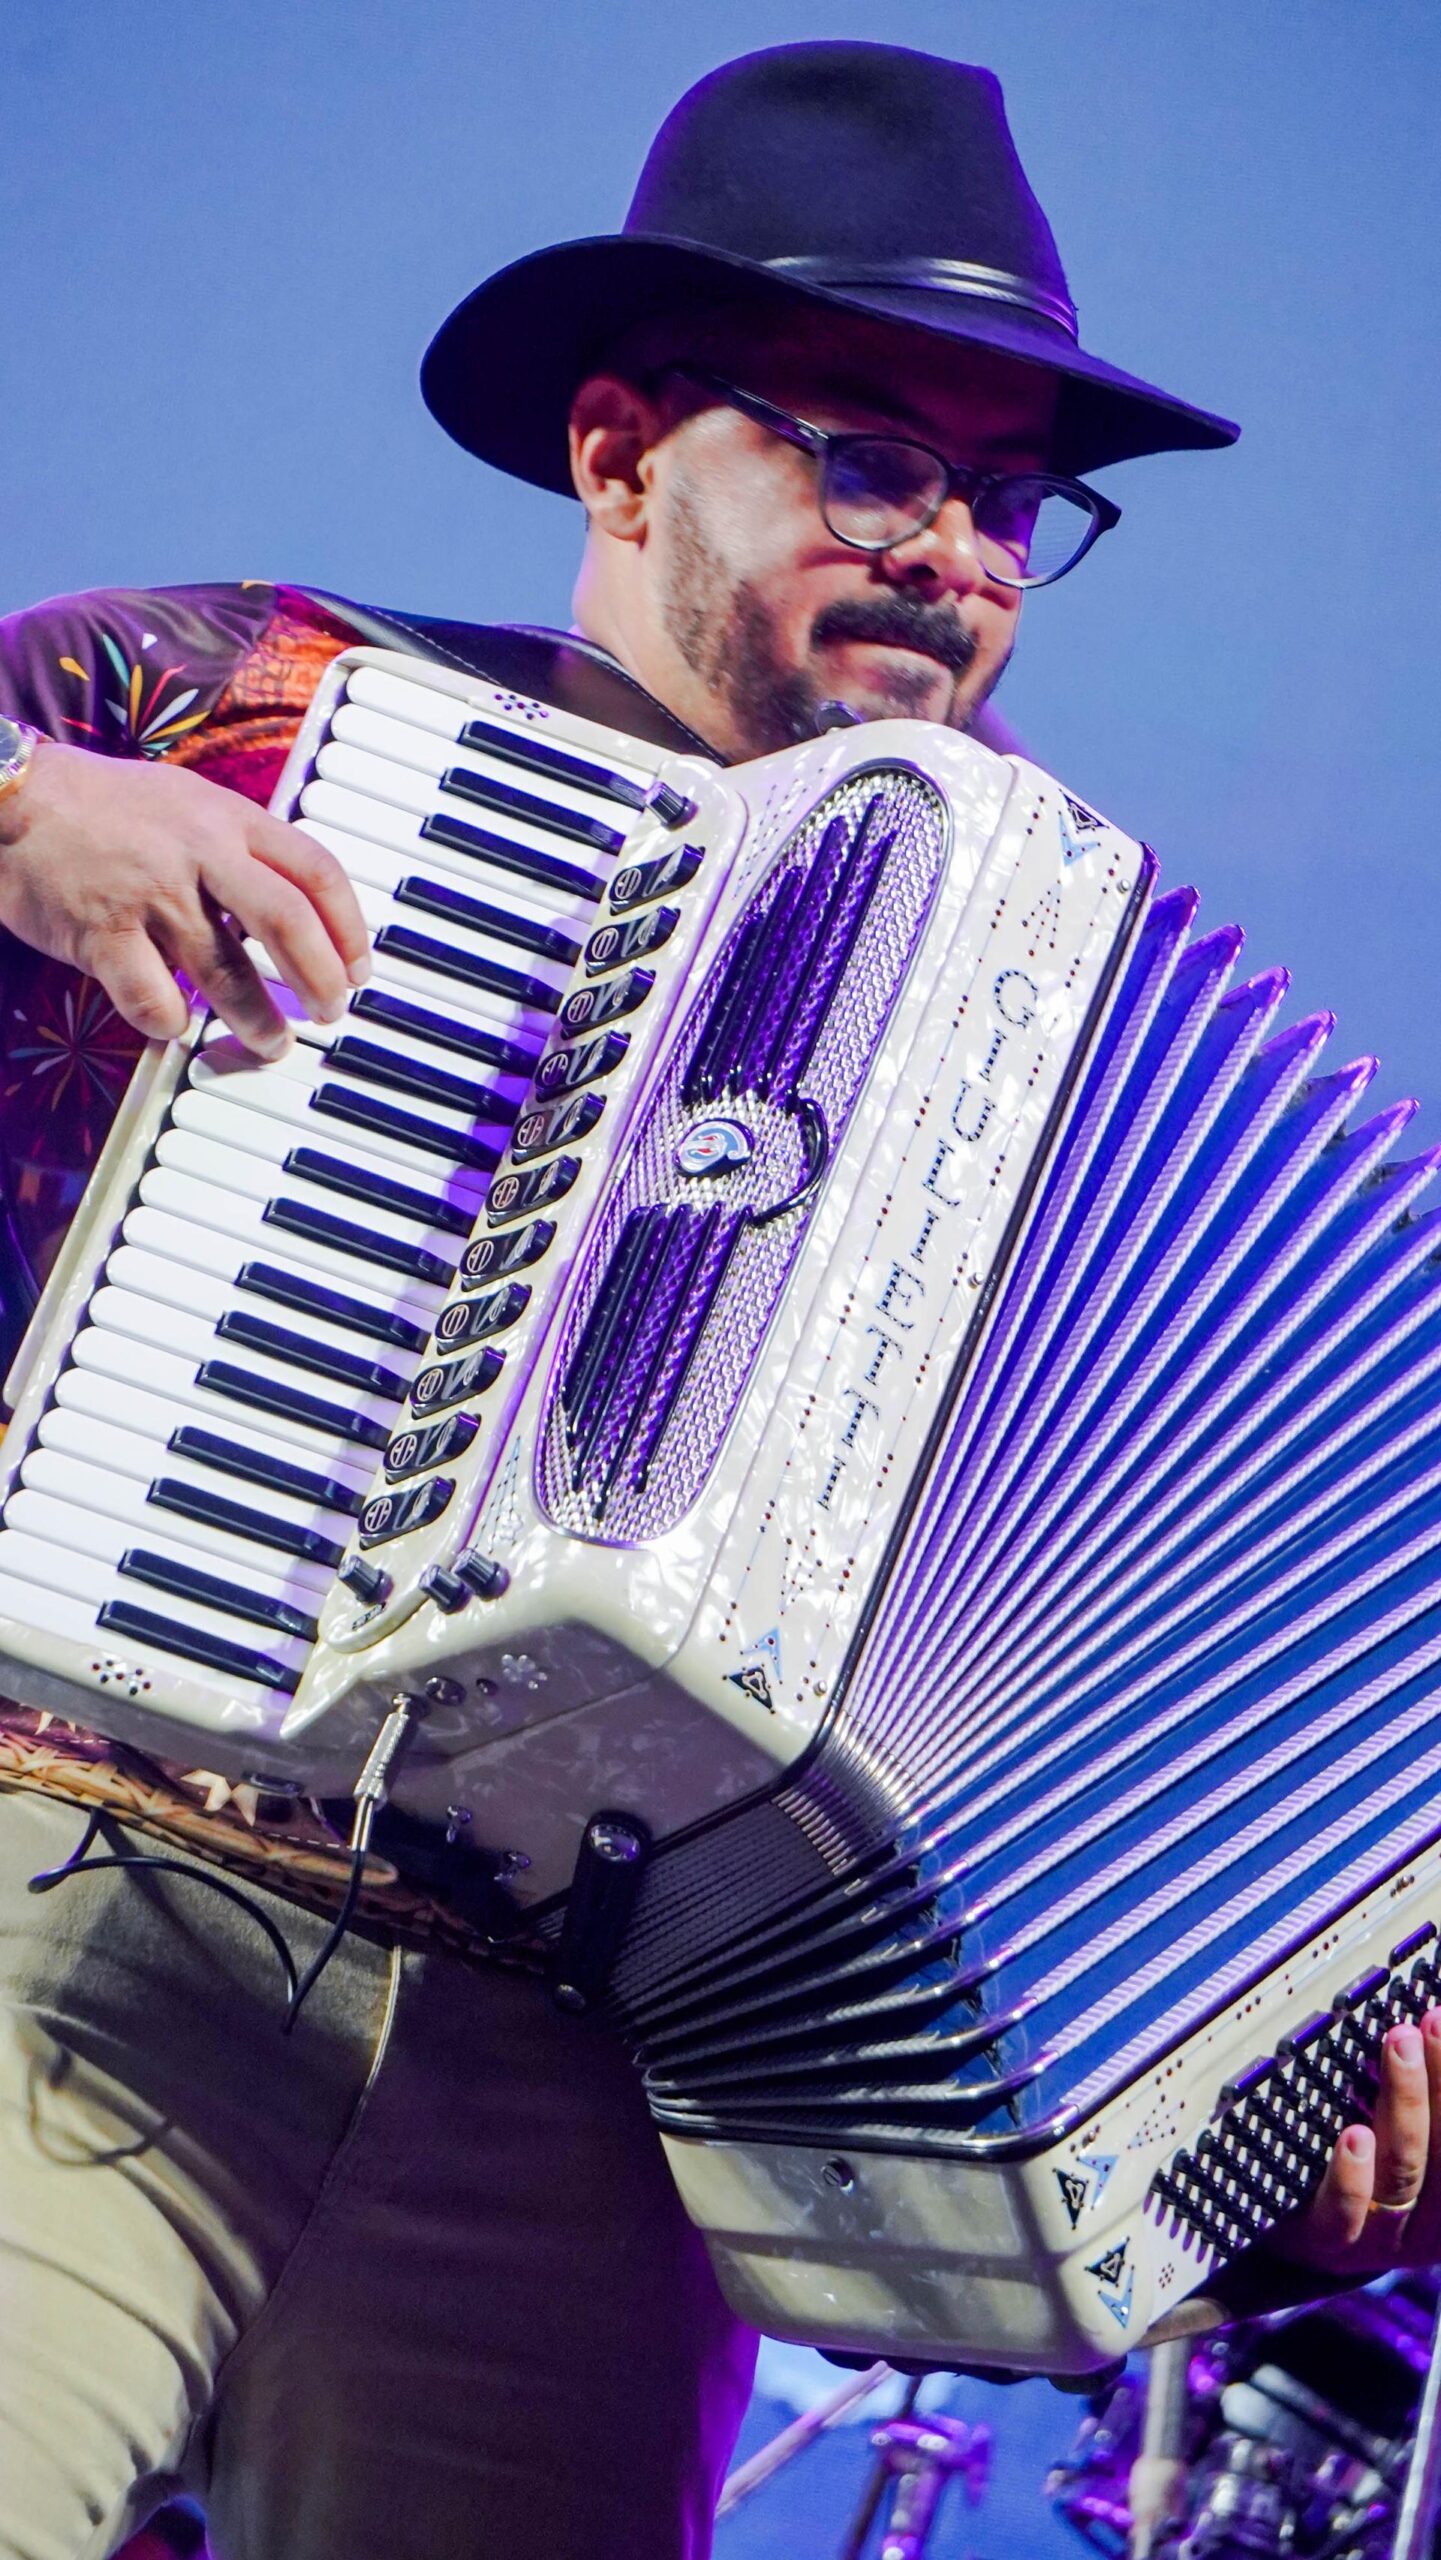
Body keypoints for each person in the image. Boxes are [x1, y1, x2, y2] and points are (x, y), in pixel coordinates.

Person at [0, 38, 1430, 2560]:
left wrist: (1291, 2110)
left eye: (1009, 499)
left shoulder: (1045, 1038)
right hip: (83, 1906)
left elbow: (1124, 1696)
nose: (956, 553)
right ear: (620, 457)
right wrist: (22, 808)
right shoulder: (238, 694)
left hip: (592, 2113)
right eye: (874, 460)